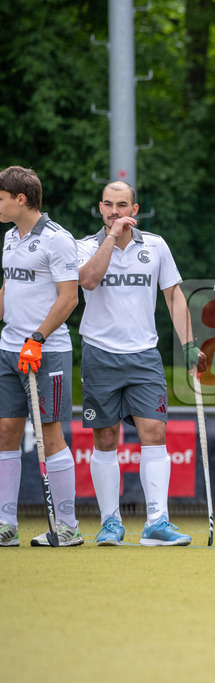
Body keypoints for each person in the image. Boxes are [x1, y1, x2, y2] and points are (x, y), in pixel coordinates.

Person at [77, 181, 208, 546]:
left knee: (155, 433)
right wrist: (111, 238)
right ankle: (110, 523)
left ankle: (156, 522)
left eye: (122, 205)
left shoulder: (156, 246)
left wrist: (188, 344)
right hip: (100, 353)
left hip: (144, 355)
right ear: (100, 208)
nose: (115, 211)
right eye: (108, 204)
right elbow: (87, 281)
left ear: (135, 210)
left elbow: (174, 296)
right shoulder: (85, 247)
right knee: (105, 438)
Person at [0, 166, 80, 547]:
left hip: (45, 352)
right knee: (5, 433)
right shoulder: (9, 237)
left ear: (21, 198)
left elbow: (69, 297)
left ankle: (67, 526)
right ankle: (6, 524)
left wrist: (37, 338)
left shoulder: (58, 240)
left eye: (0, 197)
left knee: (49, 436)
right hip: (8, 350)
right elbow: (9, 287)